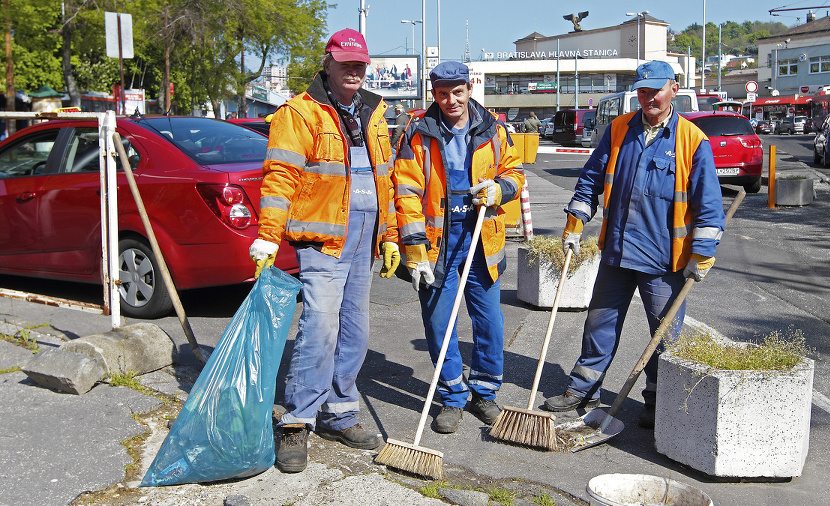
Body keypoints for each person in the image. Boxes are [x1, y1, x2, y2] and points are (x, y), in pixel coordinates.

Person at [248, 28, 401, 473]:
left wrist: (389, 235)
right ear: (329, 63)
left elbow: (385, 178)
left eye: (360, 65)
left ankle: (341, 412)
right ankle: (296, 421)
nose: (354, 71)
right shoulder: (300, 113)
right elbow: (280, 177)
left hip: (365, 237)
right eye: (346, 63)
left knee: (356, 330)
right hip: (324, 239)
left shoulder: (374, 112)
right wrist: (267, 235)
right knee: (320, 327)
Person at [543, 61, 726, 429]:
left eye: (656, 90)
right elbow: (590, 180)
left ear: (674, 88)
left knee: (665, 335)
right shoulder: (619, 129)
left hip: (665, 260)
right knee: (600, 323)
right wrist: (575, 225)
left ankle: (657, 399)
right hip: (617, 251)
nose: (649, 97)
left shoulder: (692, 140)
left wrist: (702, 256)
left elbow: (709, 206)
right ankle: (584, 388)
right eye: (643, 90)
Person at [393, 61, 525, 434]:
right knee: (439, 324)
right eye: (442, 93)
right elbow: (406, 191)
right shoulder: (418, 134)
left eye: (457, 91)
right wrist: (414, 249)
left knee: (490, 322)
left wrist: (500, 189)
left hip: (482, 238)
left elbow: (515, 173)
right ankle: (452, 397)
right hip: (438, 245)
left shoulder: (494, 129)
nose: (450, 100)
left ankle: (485, 392)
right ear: (433, 93)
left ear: (469, 88)